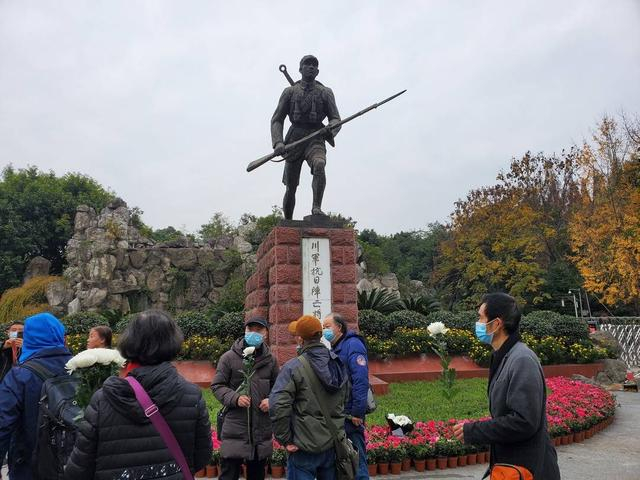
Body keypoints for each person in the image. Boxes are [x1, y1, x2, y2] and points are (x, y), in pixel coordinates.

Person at [64, 310, 212, 479]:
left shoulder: (103, 398)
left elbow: (79, 468)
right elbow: (202, 455)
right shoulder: (191, 395)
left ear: (130, 340)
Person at [452, 293, 561, 479]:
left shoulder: (522, 359)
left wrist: (474, 431)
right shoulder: (504, 356)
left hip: (527, 470)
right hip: (510, 468)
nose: (478, 323)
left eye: (481, 318)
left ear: (496, 324)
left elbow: (525, 422)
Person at [270, 315, 347, 480]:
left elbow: (278, 405)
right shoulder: (337, 363)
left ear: (300, 339)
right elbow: (345, 398)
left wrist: (285, 439)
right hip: (332, 443)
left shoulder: (293, 367)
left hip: (303, 446)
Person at [0, 312, 71, 480]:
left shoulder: (19, 375)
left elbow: (3, 422)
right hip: (73, 460)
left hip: (31, 464)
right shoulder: (81, 367)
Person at [271, 54, 341, 219]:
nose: (311, 67)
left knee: (319, 164)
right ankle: (288, 220)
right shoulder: (289, 92)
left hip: (316, 137)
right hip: (294, 139)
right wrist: (278, 142)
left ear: (317, 71)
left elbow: (336, 119)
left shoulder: (325, 92)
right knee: (291, 186)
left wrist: (330, 128)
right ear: (300, 69)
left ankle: (316, 208)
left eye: (314, 65)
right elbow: (277, 119)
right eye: (307, 64)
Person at [211, 317, 279, 480]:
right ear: (245, 331)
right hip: (235, 427)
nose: (254, 333)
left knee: (257, 474)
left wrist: (272, 400)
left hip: (260, 429)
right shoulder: (228, 358)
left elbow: (279, 388)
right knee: (229, 474)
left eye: (258, 330)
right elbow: (217, 385)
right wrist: (235, 398)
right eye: (250, 329)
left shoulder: (271, 360)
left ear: (266, 333)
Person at [323, 313, 370, 480]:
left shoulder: (353, 345)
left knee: (356, 460)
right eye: (323, 327)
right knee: (344, 462)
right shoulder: (336, 348)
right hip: (339, 413)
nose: (325, 331)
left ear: (339, 327)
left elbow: (360, 380)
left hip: (351, 415)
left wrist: (357, 412)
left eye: (328, 326)